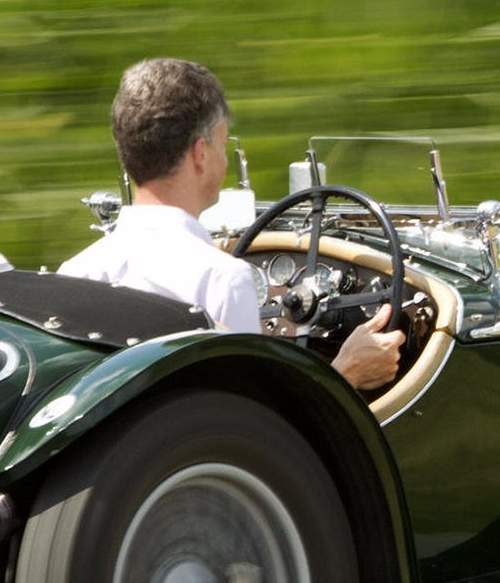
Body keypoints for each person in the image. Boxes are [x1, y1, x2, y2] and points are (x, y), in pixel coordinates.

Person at [62, 58, 406, 395]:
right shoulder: (221, 280)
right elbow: (254, 428)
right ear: (201, 154)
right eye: (223, 144)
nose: (225, 160)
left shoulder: (75, 273)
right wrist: (347, 372)